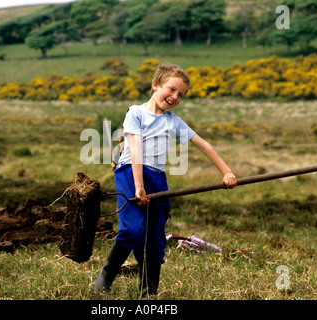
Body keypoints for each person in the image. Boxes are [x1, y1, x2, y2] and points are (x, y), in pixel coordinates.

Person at [94, 63, 237, 297]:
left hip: (157, 179)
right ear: (155, 85)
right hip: (131, 173)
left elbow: (203, 145)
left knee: (154, 239)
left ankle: (148, 293)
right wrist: (138, 185)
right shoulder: (136, 112)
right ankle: (106, 277)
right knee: (131, 230)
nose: (175, 97)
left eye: (181, 95)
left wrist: (227, 172)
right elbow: (136, 150)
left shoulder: (173, 121)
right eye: (171, 89)